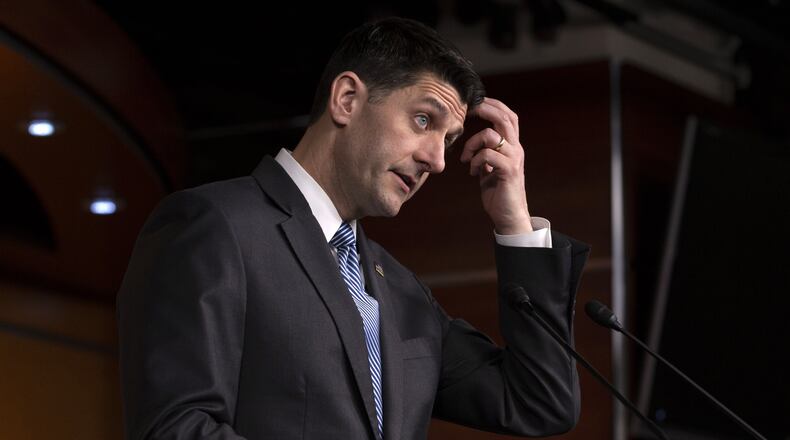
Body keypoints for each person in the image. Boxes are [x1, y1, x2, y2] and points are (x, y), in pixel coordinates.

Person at [117, 16, 589, 440]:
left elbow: (540, 403)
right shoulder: (214, 225)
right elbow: (175, 426)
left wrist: (516, 224)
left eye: (449, 139)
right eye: (423, 119)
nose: (438, 160)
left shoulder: (404, 294)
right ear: (346, 100)